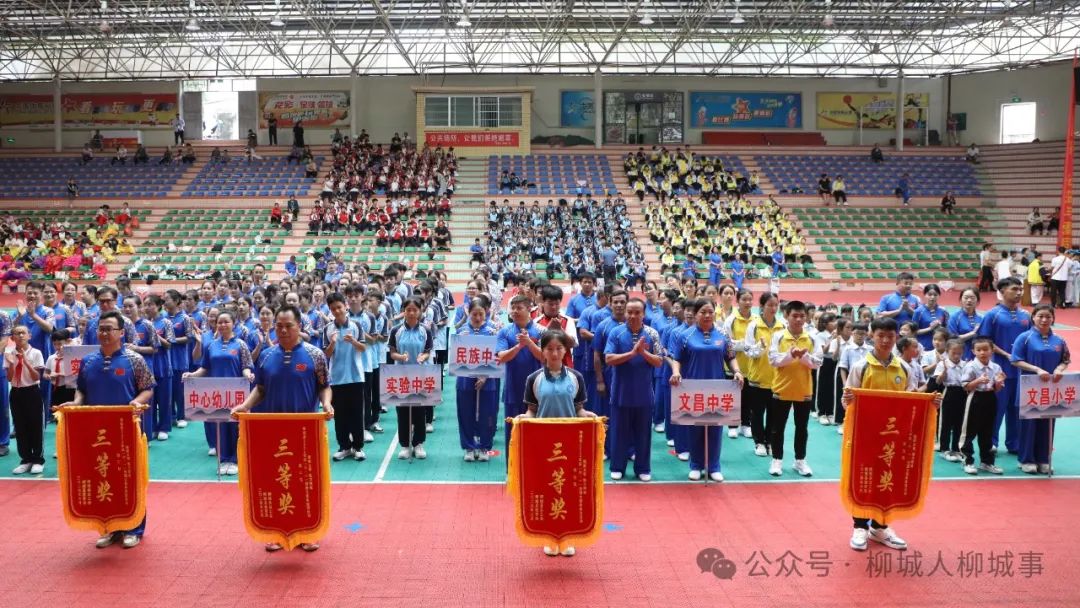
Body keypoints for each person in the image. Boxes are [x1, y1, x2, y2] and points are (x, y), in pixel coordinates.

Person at [230, 305, 331, 552]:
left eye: (288, 326)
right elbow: (261, 389)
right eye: (279, 326)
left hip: (304, 432)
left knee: (305, 481)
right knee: (275, 480)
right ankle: (276, 532)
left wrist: (327, 404)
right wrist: (245, 405)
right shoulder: (266, 356)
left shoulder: (315, 355)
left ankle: (307, 532)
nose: (283, 330)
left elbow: (324, 385)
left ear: (300, 326)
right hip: (272, 431)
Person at [62, 311, 155, 549]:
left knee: (129, 477)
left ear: (121, 332)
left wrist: (136, 402)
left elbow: (148, 388)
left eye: (109, 329)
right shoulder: (88, 361)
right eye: (101, 329)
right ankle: (110, 527)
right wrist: (76, 402)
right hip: (96, 432)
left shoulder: (134, 359)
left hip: (125, 431)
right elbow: (81, 389)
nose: (104, 333)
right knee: (102, 476)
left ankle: (134, 527)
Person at [841, 317, 932, 552]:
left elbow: (911, 400)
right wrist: (848, 400)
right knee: (864, 478)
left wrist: (930, 404)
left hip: (893, 437)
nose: (884, 340)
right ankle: (860, 527)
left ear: (896, 338)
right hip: (866, 435)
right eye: (880, 335)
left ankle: (880, 527)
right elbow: (846, 402)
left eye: (890, 336)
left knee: (888, 479)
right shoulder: (861, 366)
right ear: (872, 336)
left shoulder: (904, 368)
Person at [518, 329, 596, 558]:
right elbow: (532, 411)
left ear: (566, 351)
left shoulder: (576, 377)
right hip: (543, 444)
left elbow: (579, 409)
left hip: (570, 444)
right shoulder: (534, 379)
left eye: (559, 348)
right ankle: (550, 538)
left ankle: (568, 537)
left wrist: (588, 416)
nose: (554, 353)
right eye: (549, 349)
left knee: (569, 489)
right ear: (542, 351)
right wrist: (524, 418)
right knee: (546, 489)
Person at [668, 298, 744, 482]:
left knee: (715, 428)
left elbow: (730, 356)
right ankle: (696, 465)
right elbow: (677, 358)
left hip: (717, 388)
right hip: (693, 388)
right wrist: (676, 372)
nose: (707, 315)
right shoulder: (685, 335)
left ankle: (713, 466)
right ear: (695, 314)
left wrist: (737, 371)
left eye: (710, 312)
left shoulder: (722, 335)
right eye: (703, 312)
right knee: (695, 428)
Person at [186, 311, 255, 475]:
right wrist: (192, 375)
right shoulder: (211, 345)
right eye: (220, 322)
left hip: (236, 392)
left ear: (233, 323)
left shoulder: (240, 345)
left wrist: (248, 374)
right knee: (221, 425)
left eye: (226, 322)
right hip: (217, 393)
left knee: (235, 425)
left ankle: (235, 460)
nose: (223, 325)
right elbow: (205, 368)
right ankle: (224, 459)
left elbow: (246, 366)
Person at [604, 298, 662, 481]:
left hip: (644, 394)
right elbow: (609, 359)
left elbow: (659, 361)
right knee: (619, 433)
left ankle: (643, 468)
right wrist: (632, 353)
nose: (633, 316)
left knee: (643, 434)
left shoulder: (652, 334)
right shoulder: (616, 332)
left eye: (637, 312)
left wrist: (643, 353)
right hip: (620, 393)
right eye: (629, 312)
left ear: (644, 314)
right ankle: (617, 466)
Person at [1010, 304, 1070, 474]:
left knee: (1047, 422)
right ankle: (1026, 459)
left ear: (1053, 319)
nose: (1044, 320)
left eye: (1048, 317)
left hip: (1050, 389)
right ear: (1033, 318)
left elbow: (1065, 360)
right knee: (1028, 425)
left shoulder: (1059, 340)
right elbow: (1015, 360)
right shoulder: (1024, 338)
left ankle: (1044, 459)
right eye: (1040, 316)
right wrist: (1036, 369)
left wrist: (1059, 369)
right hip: (1030, 387)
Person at [766, 301, 819, 477]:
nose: (798, 319)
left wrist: (803, 357)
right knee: (777, 427)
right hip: (781, 388)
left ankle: (800, 461)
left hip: (804, 390)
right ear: (786, 316)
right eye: (794, 316)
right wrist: (791, 355)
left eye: (802, 316)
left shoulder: (812, 337)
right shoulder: (778, 336)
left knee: (802, 428)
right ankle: (777, 460)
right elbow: (773, 360)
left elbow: (817, 362)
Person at [323, 292, 368, 462]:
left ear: (345, 306)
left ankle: (358, 447)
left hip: (356, 377)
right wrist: (333, 343)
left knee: (356, 414)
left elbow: (363, 348)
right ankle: (344, 447)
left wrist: (353, 341)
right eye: (333, 309)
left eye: (339, 307)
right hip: (336, 378)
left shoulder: (356, 326)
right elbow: (326, 354)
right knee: (340, 416)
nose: (337, 311)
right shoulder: (328, 329)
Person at [496, 295, 544, 454]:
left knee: (536, 433)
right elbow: (502, 357)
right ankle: (511, 468)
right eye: (513, 308)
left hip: (537, 390)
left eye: (519, 308)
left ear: (529, 309)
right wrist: (518, 346)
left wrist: (529, 342)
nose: (515, 311)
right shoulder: (505, 331)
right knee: (513, 434)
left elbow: (544, 357)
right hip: (513, 389)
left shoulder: (541, 331)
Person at [388, 297, 434, 460]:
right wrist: (400, 357)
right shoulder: (396, 330)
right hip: (401, 375)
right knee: (403, 411)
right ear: (404, 311)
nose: (412, 313)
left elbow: (428, 352)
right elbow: (392, 353)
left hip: (420, 375)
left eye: (415, 310)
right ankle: (405, 445)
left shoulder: (425, 330)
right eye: (408, 310)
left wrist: (423, 357)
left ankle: (418, 443)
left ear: (420, 311)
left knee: (419, 410)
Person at [455, 298, 499, 462]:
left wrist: (484, 375)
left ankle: (484, 446)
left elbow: (497, 356)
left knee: (487, 413)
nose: (478, 318)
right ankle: (468, 446)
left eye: (481, 314)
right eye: (474, 314)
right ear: (469, 313)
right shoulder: (462, 332)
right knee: (466, 412)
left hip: (488, 379)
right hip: (465, 378)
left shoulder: (493, 332)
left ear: (486, 312)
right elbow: (457, 358)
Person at [742, 292, 784, 456]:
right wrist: (759, 348)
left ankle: (769, 442)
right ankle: (759, 442)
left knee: (774, 414)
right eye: (770, 305)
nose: (773, 308)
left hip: (776, 379)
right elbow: (747, 351)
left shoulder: (782, 326)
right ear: (762, 306)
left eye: (776, 305)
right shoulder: (753, 326)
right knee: (757, 413)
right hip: (757, 379)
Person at [959, 337, 1006, 475]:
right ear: (973, 351)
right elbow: (965, 386)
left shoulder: (996, 367)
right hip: (975, 397)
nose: (982, 352)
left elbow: (997, 388)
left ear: (992, 351)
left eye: (985, 349)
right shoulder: (971, 366)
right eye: (978, 350)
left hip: (990, 398)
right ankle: (967, 461)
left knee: (988, 431)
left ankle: (987, 462)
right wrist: (978, 381)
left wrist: (999, 383)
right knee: (969, 431)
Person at [5, 325, 45, 475]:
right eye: (17, 333)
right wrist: (11, 363)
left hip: (32, 392)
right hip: (16, 393)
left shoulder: (36, 353)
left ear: (29, 335)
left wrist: (26, 361)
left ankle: (38, 460)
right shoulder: (9, 354)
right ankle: (26, 459)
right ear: (12, 338)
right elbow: (9, 378)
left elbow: (36, 377)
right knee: (20, 427)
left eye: (23, 333)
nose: (20, 335)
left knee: (36, 426)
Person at [933, 339, 967, 462]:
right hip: (948, 392)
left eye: (959, 353)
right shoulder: (942, 364)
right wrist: (943, 374)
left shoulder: (965, 364)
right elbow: (937, 381)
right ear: (947, 351)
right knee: (945, 422)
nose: (957, 356)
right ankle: (944, 449)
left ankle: (956, 449)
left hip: (962, 393)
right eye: (954, 353)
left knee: (959, 422)